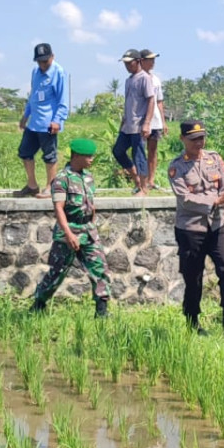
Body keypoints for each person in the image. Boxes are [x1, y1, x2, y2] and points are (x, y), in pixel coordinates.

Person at [167, 121, 224, 337]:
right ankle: (192, 321)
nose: (199, 142)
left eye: (202, 137)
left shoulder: (214, 158)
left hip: (216, 225)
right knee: (193, 277)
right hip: (190, 229)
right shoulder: (176, 167)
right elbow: (185, 199)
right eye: (194, 139)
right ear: (182, 139)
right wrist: (217, 200)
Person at [30, 138, 111, 316]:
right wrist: (68, 234)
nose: (91, 159)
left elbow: (91, 203)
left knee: (99, 269)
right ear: (76, 156)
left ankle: (102, 312)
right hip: (69, 231)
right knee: (58, 272)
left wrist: (92, 224)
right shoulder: (61, 179)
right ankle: (38, 304)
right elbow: (58, 208)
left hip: (88, 231)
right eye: (88, 156)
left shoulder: (88, 178)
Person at [15, 42, 69, 198]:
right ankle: (32, 185)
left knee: (49, 156)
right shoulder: (35, 72)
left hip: (49, 123)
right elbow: (33, 95)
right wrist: (26, 115)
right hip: (34, 123)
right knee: (25, 152)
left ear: (52, 57)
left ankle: (50, 187)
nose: (42, 65)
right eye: (39, 61)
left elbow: (63, 100)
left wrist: (57, 120)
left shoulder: (59, 72)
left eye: (45, 61)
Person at [112, 49, 156, 194]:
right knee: (118, 151)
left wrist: (147, 123)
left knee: (139, 156)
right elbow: (128, 102)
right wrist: (123, 121)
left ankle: (144, 188)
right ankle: (136, 178)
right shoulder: (129, 80)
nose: (127, 66)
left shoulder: (145, 78)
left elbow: (151, 100)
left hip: (139, 125)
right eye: (125, 63)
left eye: (129, 63)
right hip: (128, 125)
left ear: (138, 62)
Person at [140, 49, 167, 190]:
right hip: (140, 120)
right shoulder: (138, 78)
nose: (153, 62)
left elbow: (159, 101)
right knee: (139, 151)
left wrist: (163, 121)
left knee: (152, 150)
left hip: (155, 121)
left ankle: (151, 180)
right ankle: (140, 181)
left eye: (153, 59)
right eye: (150, 59)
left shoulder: (156, 79)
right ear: (141, 61)